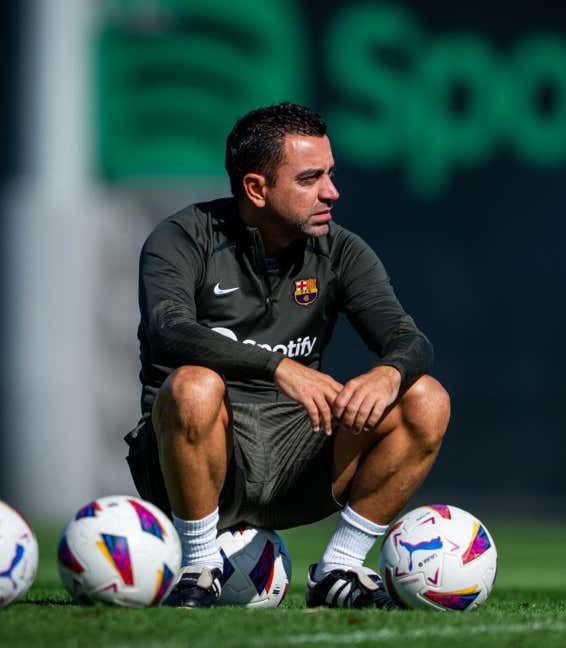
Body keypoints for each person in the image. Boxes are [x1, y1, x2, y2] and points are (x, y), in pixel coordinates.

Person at [125, 102, 449, 609]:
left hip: (298, 454)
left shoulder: (341, 251)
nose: (331, 192)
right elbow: (168, 331)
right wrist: (277, 366)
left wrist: (388, 373)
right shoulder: (182, 238)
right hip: (196, 459)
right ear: (257, 188)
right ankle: (199, 567)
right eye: (310, 178)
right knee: (193, 384)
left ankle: (339, 570)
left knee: (425, 398)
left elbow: (410, 340)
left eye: (331, 174)